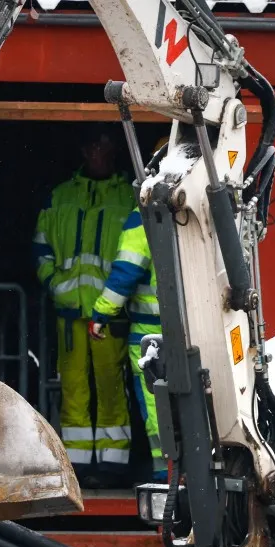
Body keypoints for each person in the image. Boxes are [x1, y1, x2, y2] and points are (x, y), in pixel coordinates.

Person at [33, 125, 137, 486]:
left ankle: (112, 465)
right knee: (73, 387)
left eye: (106, 146)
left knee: (111, 387)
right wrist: (54, 285)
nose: (100, 152)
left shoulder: (130, 198)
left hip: (110, 313)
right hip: (70, 312)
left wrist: (114, 298)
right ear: (84, 150)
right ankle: (75, 467)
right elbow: (41, 246)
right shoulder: (59, 196)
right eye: (94, 145)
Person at [90, 138, 169, 481]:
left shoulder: (146, 215)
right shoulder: (209, 208)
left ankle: (166, 479)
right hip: (203, 329)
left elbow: (126, 272)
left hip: (152, 335)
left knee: (158, 408)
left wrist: (101, 314)